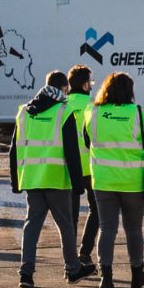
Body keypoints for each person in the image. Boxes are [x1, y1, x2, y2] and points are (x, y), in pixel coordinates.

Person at [12, 70, 97, 288]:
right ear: (64, 89)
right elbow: (71, 152)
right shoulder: (63, 111)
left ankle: (26, 274)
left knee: (31, 226)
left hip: (32, 179)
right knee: (66, 226)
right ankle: (72, 269)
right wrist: (78, 183)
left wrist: (16, 180)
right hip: (56, 179)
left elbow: (14, 150)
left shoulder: (24, 112)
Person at [86, 72, 144, 288]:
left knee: (107, 229)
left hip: (103, 181)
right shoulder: (139, 113)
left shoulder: (93, 113)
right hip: (132, 182)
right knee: (134, 230)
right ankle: (137, 274)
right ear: (130, 90)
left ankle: (105, 279)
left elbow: (87, 141)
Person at [66, 64, 101, 270]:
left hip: (69, 168)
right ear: (85, 84)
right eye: (91, 81)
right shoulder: (93, 104)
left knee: (69, 214)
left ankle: (69, 258)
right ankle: (85, 252)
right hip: (90, 167)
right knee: (96, 209)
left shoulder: (62, 105)